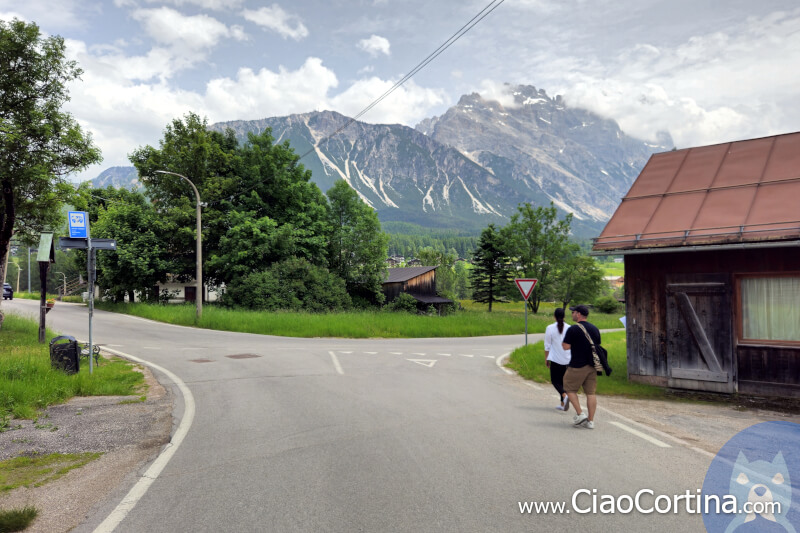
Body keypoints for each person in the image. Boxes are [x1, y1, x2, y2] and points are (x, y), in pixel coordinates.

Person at [562, 304, 601, 429]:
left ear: (578, 314)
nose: (572, 314)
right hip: (592, 365)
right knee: (590, 392)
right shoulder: (595, 328)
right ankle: (590, 421)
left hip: (577, 365)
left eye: (573, 312)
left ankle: (580, 414)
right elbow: (597, 345)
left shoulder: (573, 329)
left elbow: (565, 346)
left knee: (569, 387)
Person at [544, 308, 571, 411]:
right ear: (564, 316)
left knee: (555, 381)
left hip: (555, 359)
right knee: (564, 382)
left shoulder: (550, 328)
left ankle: (564, 396)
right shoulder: (569, 328)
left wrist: (546, 358)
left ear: (554, 316)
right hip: (568, 359)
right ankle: (562, 404)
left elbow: (547, 346)